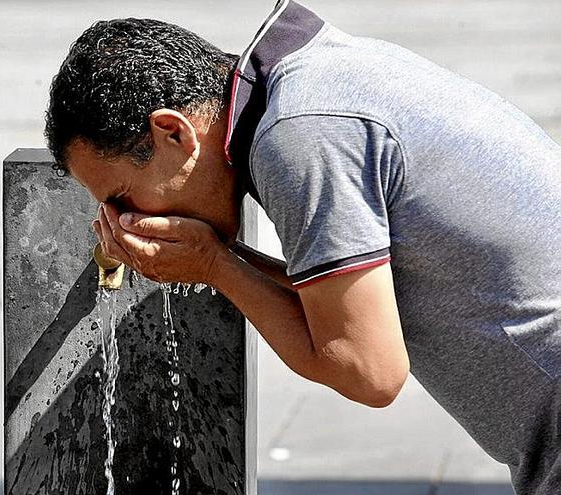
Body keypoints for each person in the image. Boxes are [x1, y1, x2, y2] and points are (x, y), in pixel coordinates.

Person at [42, 1, 561, 493]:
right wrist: (215, 258)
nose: (120, 221)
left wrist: (214, 264)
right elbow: (350, 302)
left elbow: (367, 371)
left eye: (121, 197)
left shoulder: (296, 137)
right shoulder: (316, 79)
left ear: (173, 132)